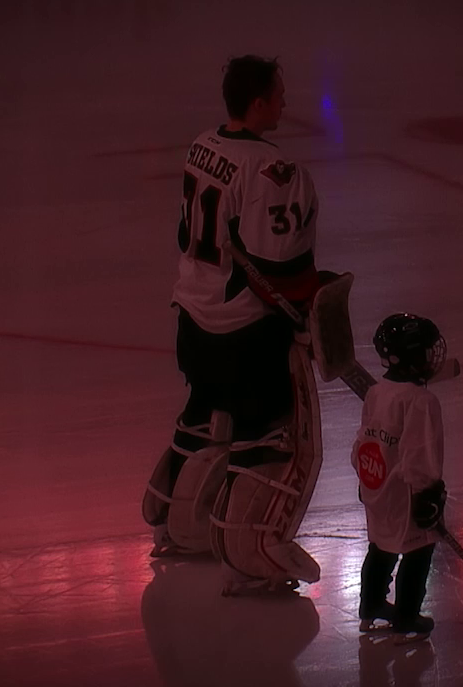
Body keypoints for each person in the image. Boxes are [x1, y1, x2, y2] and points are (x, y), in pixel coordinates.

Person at [143, 55, 323, 559]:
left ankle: (169, 518)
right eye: (279, 94)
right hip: (242, 335)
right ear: (258, 102)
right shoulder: (272, 171)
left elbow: (187, 232)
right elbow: (281, 268)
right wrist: (310, 312)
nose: (285, 101)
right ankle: (248, 552)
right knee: (262, 434)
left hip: (191, 321)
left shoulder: (202, 146)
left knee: (205, 412)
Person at [352, 313, 449, 638]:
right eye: (427, 350)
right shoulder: (421, 401)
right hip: (405, 491)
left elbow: (364, 439)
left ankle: (371, 606)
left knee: (381, 545)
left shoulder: (377, 391)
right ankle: (407, 617)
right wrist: (429, 492)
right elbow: (419, 453)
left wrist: (365, 477)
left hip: (376, 484)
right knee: (418, 549)